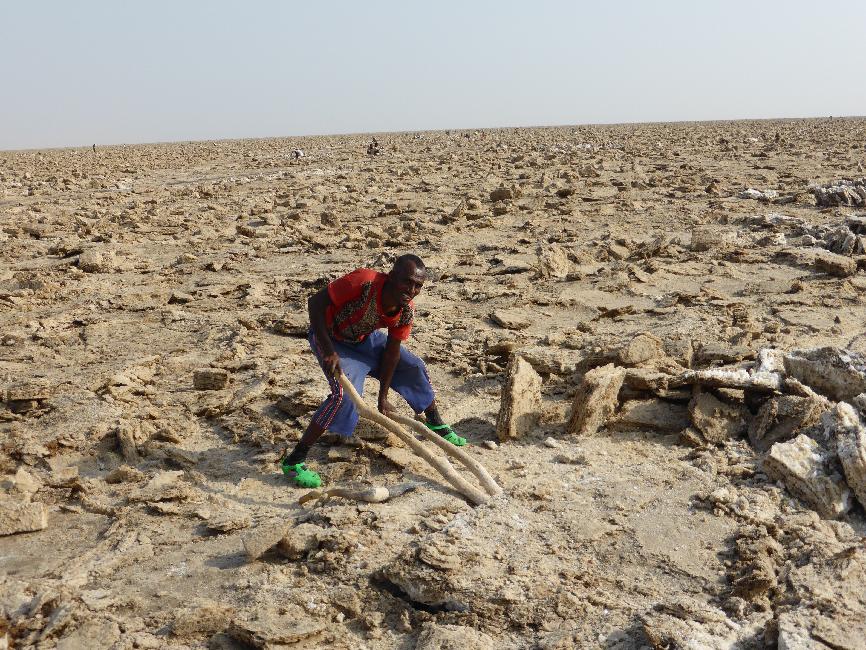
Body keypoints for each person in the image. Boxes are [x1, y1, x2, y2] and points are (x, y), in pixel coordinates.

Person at [280, 254, 466, 488]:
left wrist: (383, 397)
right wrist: (328, 351)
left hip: (363, 339)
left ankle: (435, 422)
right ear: (391, 277)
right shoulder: (363, 281)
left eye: (418, 286)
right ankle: (295, 460)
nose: (412, 290)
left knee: (413, 366)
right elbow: (315, 303)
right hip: (330, 339)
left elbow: (391, 352)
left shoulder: (406, 310)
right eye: (407, 282)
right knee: (343, 398)